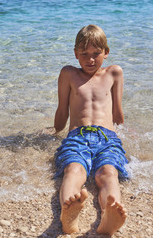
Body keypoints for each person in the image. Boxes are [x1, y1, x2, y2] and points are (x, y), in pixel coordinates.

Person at [50, 24, 129, 235]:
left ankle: (109, 216)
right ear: (76, 53)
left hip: (108, 137)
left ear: (106, 52)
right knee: (74, 170)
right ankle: (68, 213)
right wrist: (54, 131)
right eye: (84, 54)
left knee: (108, 173)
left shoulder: (114, 73)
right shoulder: (68, 73)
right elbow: (62, 111)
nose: (90, 59)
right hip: (78, 136)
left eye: (96, 54)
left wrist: (125, 136)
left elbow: (118, 113)